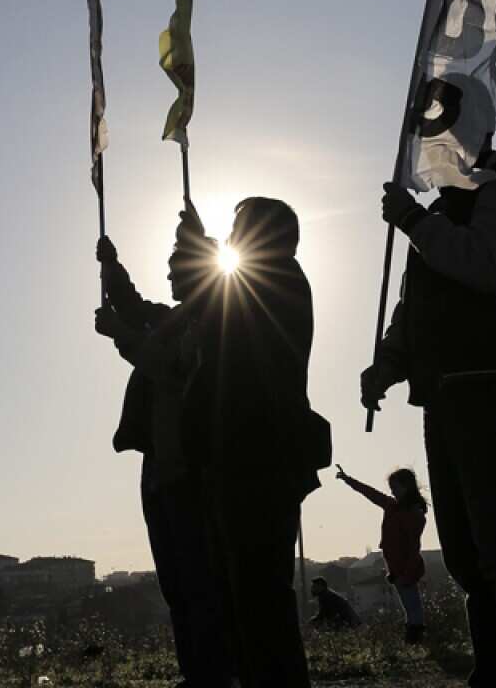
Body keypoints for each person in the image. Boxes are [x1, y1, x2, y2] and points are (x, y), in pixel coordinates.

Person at [362, 139, 496, 687]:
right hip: (445, 389)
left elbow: (484, 263)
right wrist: (389, 362)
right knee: (465, 546)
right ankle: (494, 667)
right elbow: (416, 304)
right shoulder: (440, 215)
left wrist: (411, 221)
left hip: (492, 382)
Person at [179, 197, 329, 688]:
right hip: (250, 453)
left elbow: (196, 295)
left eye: (238, 227)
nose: (232, 236)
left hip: (255, 455)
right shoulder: (278, 279)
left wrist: (194, 246)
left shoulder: (272, 280)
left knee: (258, 595)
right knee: (247, 595)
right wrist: (199, 245)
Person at [93, 221, 233, 687]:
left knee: (200, 580)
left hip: (192, 469)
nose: (170, 280)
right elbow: (133, 309)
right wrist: (111, 268)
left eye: (177, 270)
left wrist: (123, 336)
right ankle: (198, 673)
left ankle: (214, 674)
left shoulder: (218, 323)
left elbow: (174, 370)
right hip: (161, 466)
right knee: (177, 584)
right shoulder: (173, 320)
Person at [335, 465, 428, 643]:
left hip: (406, 567)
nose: (393, 492)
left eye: (396, 488)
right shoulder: (392, 506)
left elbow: (413, 548)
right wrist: (349, 480)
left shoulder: (413, 514)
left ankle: (415, 638)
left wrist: (406, 573)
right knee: (408, 605)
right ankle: (414, 638)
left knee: (412, 605)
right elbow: (372, 494)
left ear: (407, 487)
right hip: (396, 567)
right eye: (391, 489)